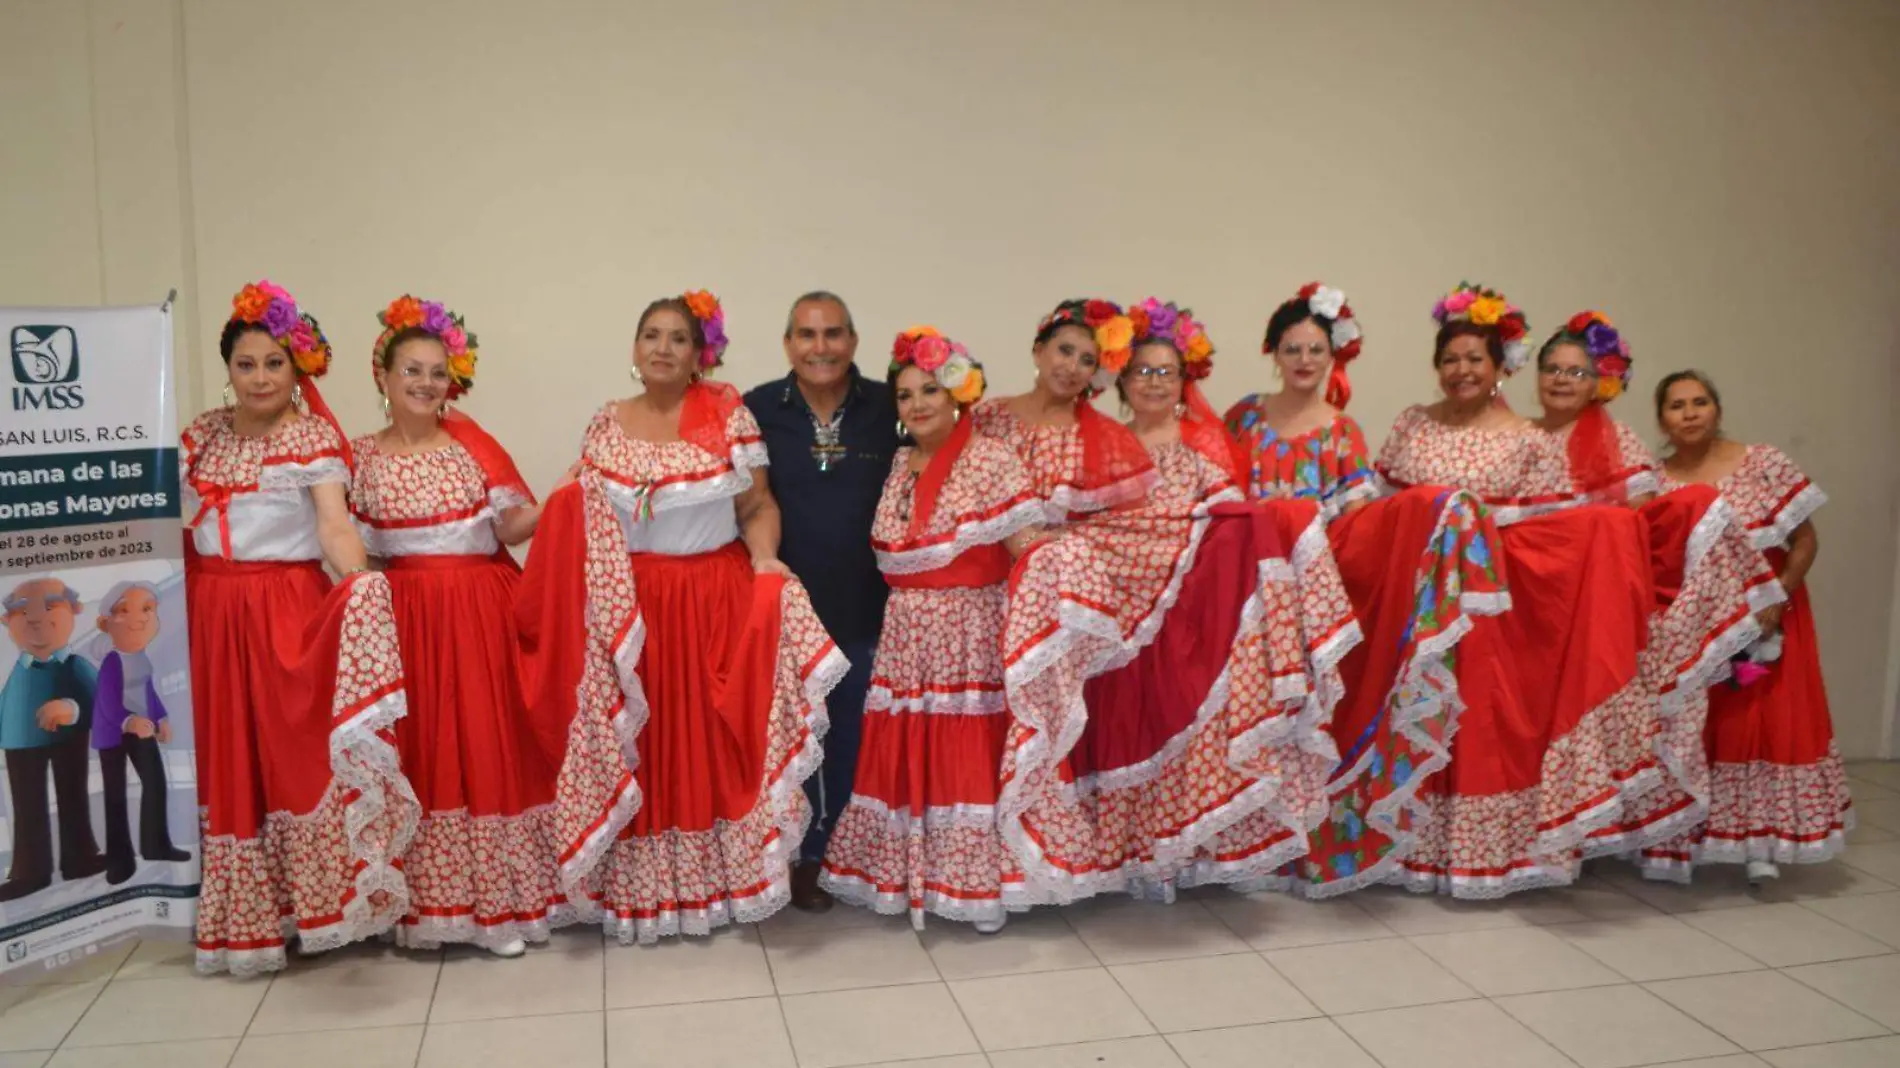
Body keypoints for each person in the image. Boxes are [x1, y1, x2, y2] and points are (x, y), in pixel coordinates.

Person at [516, 290, 845, 943]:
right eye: (651, 336)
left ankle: (714, 884)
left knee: (708, 744)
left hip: (708, 602)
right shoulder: (607, 423)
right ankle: (641, 889)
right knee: (643, 746)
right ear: (634, 350)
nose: (663, 347)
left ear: (700, 354)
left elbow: (757, 508)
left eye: (677, 338)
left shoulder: (727, 416)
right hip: (630, 610)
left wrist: (765, 563)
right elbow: (573, 505)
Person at [1374, 282, 1663, 895]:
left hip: (1485, 610)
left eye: (1475, 358)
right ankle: (1403, 848)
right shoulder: (1410, 425)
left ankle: (1479, 853)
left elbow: (1551, 528)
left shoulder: (1530, 439)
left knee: (1477, 724)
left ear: (1500, 365)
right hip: (1415, 603)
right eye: (1450, 358)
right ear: (1437, 366)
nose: (1462, 370)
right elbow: (1382, 511)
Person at [1230, 284, 1503, 896]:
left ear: (1333, 358)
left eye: (1316, 350)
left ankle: (1312, 841)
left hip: (1315, 590)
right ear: (1273, 352)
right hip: (1251, 589)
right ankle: (1249, 842)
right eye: (1293, 348)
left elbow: (1355, 517)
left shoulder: (1342, 431)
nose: (1304, 360)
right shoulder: (1244, 417)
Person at [180, 280, 417, 974]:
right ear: (228, 367)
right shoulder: (199, 435)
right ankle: (248, 918)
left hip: (284, 610)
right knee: (231, 758)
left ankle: (318, 907)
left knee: (294, 758)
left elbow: (334, 526)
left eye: (273, 364)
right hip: (213, 614)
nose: (259, 378)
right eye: (246, 364)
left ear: (297, 371)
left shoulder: (311, 438)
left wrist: (361, 582)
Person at [1522, 316, 1784, 867]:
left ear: (1600, 381)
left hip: (1597, 604)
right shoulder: (1519, 437)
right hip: (1534, 601)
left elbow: (1642, 524)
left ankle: (1594, 834)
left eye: (1576, 371)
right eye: (1552, 369)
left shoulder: (1618, 440)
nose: (1562, 380)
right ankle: (1536, 836)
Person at [350, 295, 565, 956]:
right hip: (404, 617)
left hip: (479, 613)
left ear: (453, 381)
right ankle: (417, 907)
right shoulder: (358, 458)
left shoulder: (474, 446)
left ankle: (494, 908)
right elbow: (347, 544)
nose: (424, 382)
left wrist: (568, 494)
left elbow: (512, 527)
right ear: (383, 377)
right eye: (411, 370)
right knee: (423, 754)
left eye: (436, 372)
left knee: (483, 748)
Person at [818, 327, 1041, 931]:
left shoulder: (991, 457)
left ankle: (972, 886)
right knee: (910, 746)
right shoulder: (898, 463)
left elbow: (1020, 540)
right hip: (908, 632)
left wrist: (1065, 556)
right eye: (906, 395)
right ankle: (913, 874)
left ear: (957, 396)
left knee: (963, 746)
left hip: (968, 630)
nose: (917, 404)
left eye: (931, 391)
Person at [1640, 370, 1851, 882]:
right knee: (1698, 730)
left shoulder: (1763, 463)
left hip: (1767, 621)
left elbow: (1805, 540)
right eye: (1676, 405)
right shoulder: (1653, 480)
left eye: (1700, 401)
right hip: (1693, 632)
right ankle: (1688, 838)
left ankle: (1762, 844)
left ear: (1717, 408)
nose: (1689, 413)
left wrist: (1777, 595)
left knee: (1762, 727)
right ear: (1662, 418)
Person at [743, 292, 899, 911]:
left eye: (833, 334)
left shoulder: (890, 406)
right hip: (792, 608)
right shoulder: (757, 409)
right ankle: (803, 858)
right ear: (788, 344)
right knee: (797, 738)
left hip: (872, 604)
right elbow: (751, 500)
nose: (821, 347)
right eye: (807, 335)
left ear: (854, 341)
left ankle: (850, 855)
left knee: (858, 737)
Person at [0, 578, 105, 901]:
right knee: (27, 804)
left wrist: (71, 709)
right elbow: (8, 704)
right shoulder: (18, 673)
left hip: (69, 736)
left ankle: (80, 856)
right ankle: (29, 871)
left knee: (73, 793)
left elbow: (102, 702)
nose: (36, 620)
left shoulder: (76, 666)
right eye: (23, 612)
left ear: (75, 610)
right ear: (7, 622)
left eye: (49, 607)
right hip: (19, 739)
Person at [91, 581, 189, 886]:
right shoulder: (112, 661)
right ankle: (120, 861)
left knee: (156, 783)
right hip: (112, 734)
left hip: (142, 729)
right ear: (105, 623)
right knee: (116, 795)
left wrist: (161, 717)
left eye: (147, 608)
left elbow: (148, 690)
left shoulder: (143, 658)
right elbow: (107, 703)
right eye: (125, 610)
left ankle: (156, 845)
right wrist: (129, 721)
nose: (139, 619)